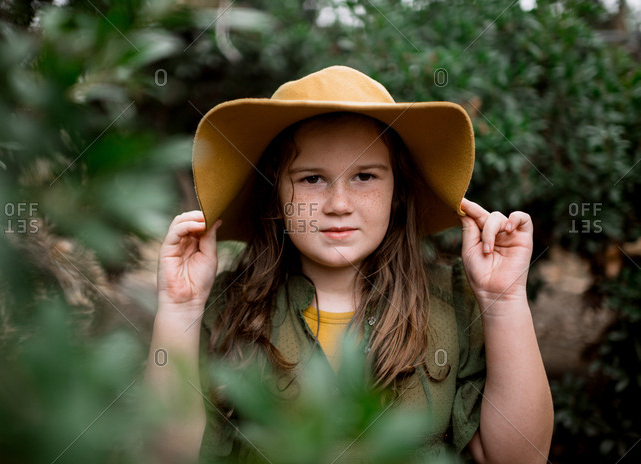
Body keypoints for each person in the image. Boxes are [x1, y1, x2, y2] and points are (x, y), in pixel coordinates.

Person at [145, 66, 553, 463]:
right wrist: (180, 309)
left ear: (397, 190)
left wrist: (503, 300)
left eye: (364, 177)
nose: (338, 205)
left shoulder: (453, 304)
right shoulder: (228, 309)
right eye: (311, 179)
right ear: (275, 197)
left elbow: (521, 457)